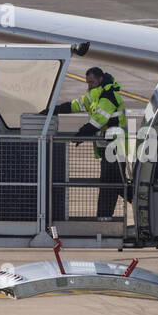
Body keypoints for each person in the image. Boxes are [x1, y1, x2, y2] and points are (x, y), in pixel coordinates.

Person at [54, 67, 127, 217]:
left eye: (92, 82)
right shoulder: (95, 95)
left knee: (111, 185)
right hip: (106, 148)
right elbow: (75, 105)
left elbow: (98, 121)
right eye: (88, 82)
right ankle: (105, 216)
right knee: (113, 184)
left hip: (114, 148)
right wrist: (54, 109)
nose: (89, 85)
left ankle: (104, 217)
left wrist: (81, 134)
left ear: (100, 79)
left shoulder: (108, 96)